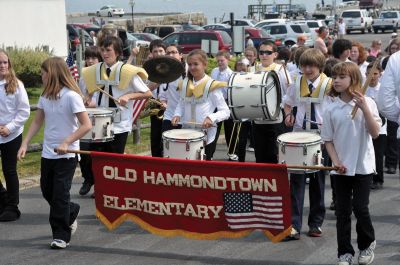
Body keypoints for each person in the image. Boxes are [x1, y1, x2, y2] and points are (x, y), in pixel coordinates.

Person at [17, 57, 92, 249]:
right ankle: (71, 210)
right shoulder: (45, 96)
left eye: (43, 72)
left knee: (59, 194)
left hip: (67, 155)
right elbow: (37, 121)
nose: (41, 76)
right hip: (48, 153)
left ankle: (61, 235)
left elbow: (86, 125)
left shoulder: (71, 96)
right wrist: (25, 143)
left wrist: (67, 142)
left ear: (52, 73)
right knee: (47, 190)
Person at [322, 62, 380, 265]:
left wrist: (364, 108)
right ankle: (344, 253)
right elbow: (327, 140)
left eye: (341, 76)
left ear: (353, 80)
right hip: (340, 168)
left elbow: (374, 133)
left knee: (360, 207)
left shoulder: (369, 102)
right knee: (342, 212)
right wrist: (336, 162)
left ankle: (367, 244)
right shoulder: (331, 108)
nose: (336, 80)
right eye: (334, 76)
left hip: (363, 165)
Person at [80, 36, 152, 197]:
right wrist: (88, 97)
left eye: (108, 50)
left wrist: (129, 96)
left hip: (119, 124)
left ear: (118, 52)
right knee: (97, 160)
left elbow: (147, 92)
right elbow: (89, 92)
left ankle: (114, 193)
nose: (105, 53)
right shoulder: (94, 71)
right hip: (98, 123)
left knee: (114, 162)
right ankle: (101, 189)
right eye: (103, 50)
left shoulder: (127, 71)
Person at [283, 48, 332, 240]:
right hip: (299, 135)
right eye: (304, 65)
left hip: (320, 137)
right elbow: (288, 103)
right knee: (296, 180)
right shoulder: (296, 83)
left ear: (319, 66)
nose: (308, 69)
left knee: (318, 181)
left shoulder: (329, 85)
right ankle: (294, 224)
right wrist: (288, 114)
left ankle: (316, 223)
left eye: (311, 65)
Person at [171, 49, 230, 160]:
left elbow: (225, 112)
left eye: (196, 64)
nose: (192, 67)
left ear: (204, 65)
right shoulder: (185, 84)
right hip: (186, 134)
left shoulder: (211, 85)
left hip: (206, 136)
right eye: (190, 64)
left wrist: (211, 118)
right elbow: (181, 103)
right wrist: (177, 114)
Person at [0, 50, 30, 222]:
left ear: (9, 64)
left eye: (5, 62)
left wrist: (9, 128)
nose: (3, 66)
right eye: (0, 63)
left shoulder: (16, 84)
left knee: (9, 170)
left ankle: (12, 206)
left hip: (12, 134)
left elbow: (24, 111)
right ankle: (3, 199)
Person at [251, 40, 292, 164]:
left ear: (275, 55)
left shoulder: (281, 70)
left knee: (275, 154)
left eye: (268, 52)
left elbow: (289, 92)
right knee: (260, 155)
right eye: (261, 52)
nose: (264, 55)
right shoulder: (253, 69)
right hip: (257, 118)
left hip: (276, 118)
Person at [77, 46, 102, 197]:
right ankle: (88, 178)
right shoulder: (83, 77)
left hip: (99, 119)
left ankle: (99, 183)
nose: (90, 61)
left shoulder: (103, 76)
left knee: (97, 153)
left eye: (93, 58)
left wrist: (87, 102)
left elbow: (102, 101)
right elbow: (82, 96)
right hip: (85, 118)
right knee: (82, 150)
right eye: (88, 58)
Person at [365, 62, 386, 190]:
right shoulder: (363, 88)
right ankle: (368, 177)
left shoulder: (383, 89)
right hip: (366, 126)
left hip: (381, 127)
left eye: (374, 74)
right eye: (368, 74)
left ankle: (378, 179)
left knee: (378, 154)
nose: (371, 77)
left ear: (380, 74)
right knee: (368, 152)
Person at [210, 50, 234, 161]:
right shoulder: (214, 71)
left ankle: (232, 152)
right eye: (218, 61)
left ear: (227, 60)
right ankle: (210, 152)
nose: (220, 63)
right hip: (215, 103)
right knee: (214, 127)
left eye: (222, 60)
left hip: (226, 102)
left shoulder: (231, 74)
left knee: (229, 129)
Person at [159, 44, 186, 132]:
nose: (170, 55)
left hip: (185, 118)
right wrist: (163, 102)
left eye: (174, 52)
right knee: (166, 145)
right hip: (169, 116)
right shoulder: (165, 73)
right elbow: (163, 95)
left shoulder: (189, 71)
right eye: (168, 53)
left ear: (180, 55)